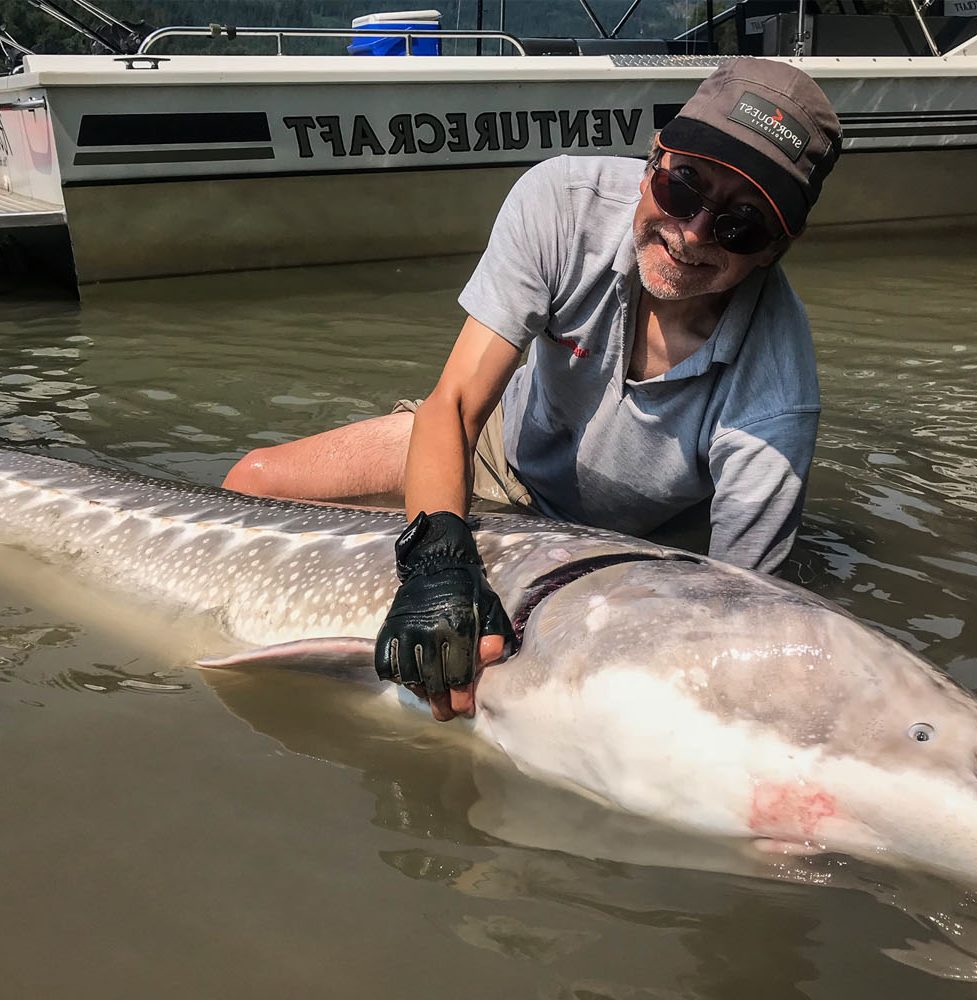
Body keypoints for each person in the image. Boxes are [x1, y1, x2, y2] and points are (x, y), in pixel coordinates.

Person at [224, 58, 842, 722]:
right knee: (253, 484)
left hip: (633, 541)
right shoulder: (561, 203)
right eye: (684, 187)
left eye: (739, 225)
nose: (691, 234)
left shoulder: (778, 396)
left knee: (469, 687)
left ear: (777, 246)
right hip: (502, 450)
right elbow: (455, 404)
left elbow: (740, 609)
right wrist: (436, 562)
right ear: (653, 160)